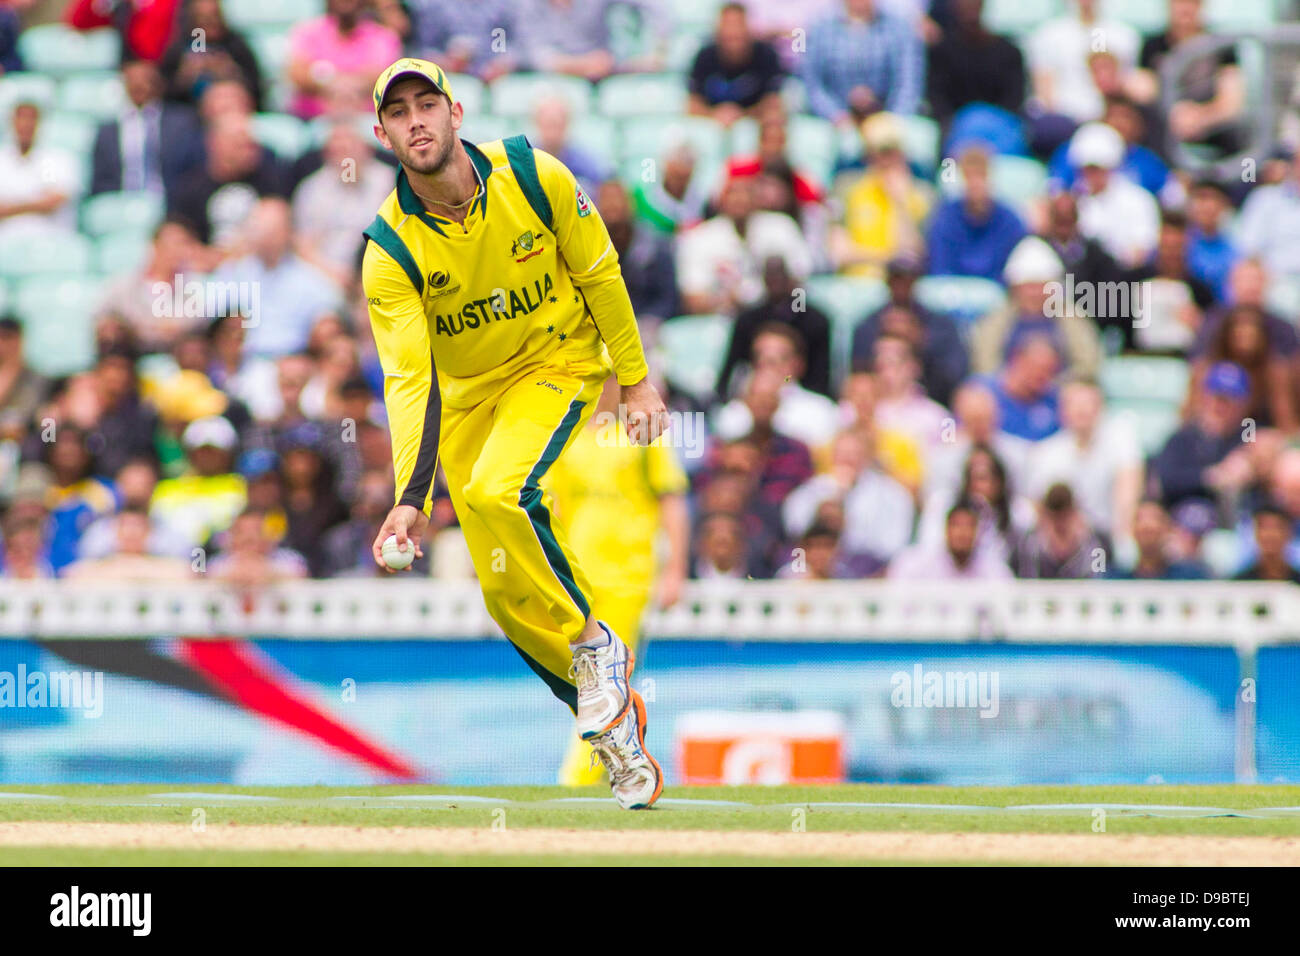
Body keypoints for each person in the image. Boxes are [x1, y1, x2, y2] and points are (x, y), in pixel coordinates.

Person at [361, 59, 667, 808]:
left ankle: (596, 645)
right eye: (399, 113)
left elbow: (599, 272)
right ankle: (613, 730)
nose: (416, 121)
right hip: (469, 401)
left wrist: (634, 377)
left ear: (456, 112)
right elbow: (410, 382)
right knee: (502, 594)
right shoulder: (389, 249)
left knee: (503, 490)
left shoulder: (535, 174)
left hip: (554, 364)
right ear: (382, 135)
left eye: (426, 103)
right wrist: (410, 498)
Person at [543, 376, 689, 786]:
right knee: (587, 678)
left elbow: (671, 498)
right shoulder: (568, 434)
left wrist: (675, 569)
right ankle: (617, 764)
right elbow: (553, 509)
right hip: (577, 575)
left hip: (628, 574)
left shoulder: (642, 432)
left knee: (611, 677)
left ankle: (576, 778)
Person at [716, 256, 832, 400]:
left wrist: (784, 385)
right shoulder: (747, 321)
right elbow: (729, 376)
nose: (775, 281)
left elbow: (818, 378)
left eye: (780, 274)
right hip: (754, 393)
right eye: (764, 360)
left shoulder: (813, 322)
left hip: (796, 389)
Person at [90, 56, 205, 197]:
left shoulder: (182, 122)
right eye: (132, 82)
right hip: (121, 204)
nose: (139, 86)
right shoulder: (107, 131)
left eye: (145, 81)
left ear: (158, 84)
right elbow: (100, 180)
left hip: (171, 201)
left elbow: (192, 169)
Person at [801, 0, 924, 125]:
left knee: (917, 135)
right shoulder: (820, 28)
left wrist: (893, 118)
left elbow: (908, 80)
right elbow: (812, 83)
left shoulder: (899, 27)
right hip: (833, 118)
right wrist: (835, 115)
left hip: (886, 114)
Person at [926, 144, 1026, 283]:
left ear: (990, 177)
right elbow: (940, 268)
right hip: (951, 293)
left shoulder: (1010, 220)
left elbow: (1012, 271)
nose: (975, 184)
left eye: (981, 175)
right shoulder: (944, 217)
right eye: (969, 176)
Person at [286, 0, 402, 120]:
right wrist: (343, 82)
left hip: (369, 122)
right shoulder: (307, 32)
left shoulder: (383, 36)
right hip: (313, 120)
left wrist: (324, 78)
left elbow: (385, 76)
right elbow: (297, 74)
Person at [926, 0, 1025, 130]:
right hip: (953, 129)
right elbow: (937, 98)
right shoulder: (941, 52)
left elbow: (1013, 99)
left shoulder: (1009, 52)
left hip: (999, 127)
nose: (969, 7)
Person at [687, 2, 785, 126]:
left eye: (737, 24)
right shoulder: (704, 56)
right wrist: (714, 115)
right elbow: (692, 105)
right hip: (713, 124)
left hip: (753, 126)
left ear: (747, 27)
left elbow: (773, 104)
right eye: (728, 25)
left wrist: (741, 115)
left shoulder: (766, 55)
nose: (733, 31)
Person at [159, 0, 263, 110]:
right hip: (187, 113)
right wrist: (185, 77)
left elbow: (258, 91)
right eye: (203, 18)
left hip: (230, 112)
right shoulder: (179, 49)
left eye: (214, 15)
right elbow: (163, 94)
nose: (210, 22)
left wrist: (230, 72)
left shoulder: (237, 46)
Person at [0, 101, 79, 242]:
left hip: (48, 240)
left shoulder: (55, 159)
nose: (25, 124)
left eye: (31, 118)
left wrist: (11, 206)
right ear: (11, 122)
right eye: (20, 118)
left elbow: (52, 202)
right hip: (6, 239)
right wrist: (35, 203)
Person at [889, 498, 1013, 580]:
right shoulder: (916, 565)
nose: (962, 533)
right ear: (945, 529)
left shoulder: (995, 571)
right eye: (956, 525)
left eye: (969, 526)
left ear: (978, 533)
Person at [1234, 500, 1300, 583]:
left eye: (1276, 527)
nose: (1270, 534)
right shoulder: (1240, 582)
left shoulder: (1297, 582)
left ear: (1289, 533)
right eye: (1263, 528)